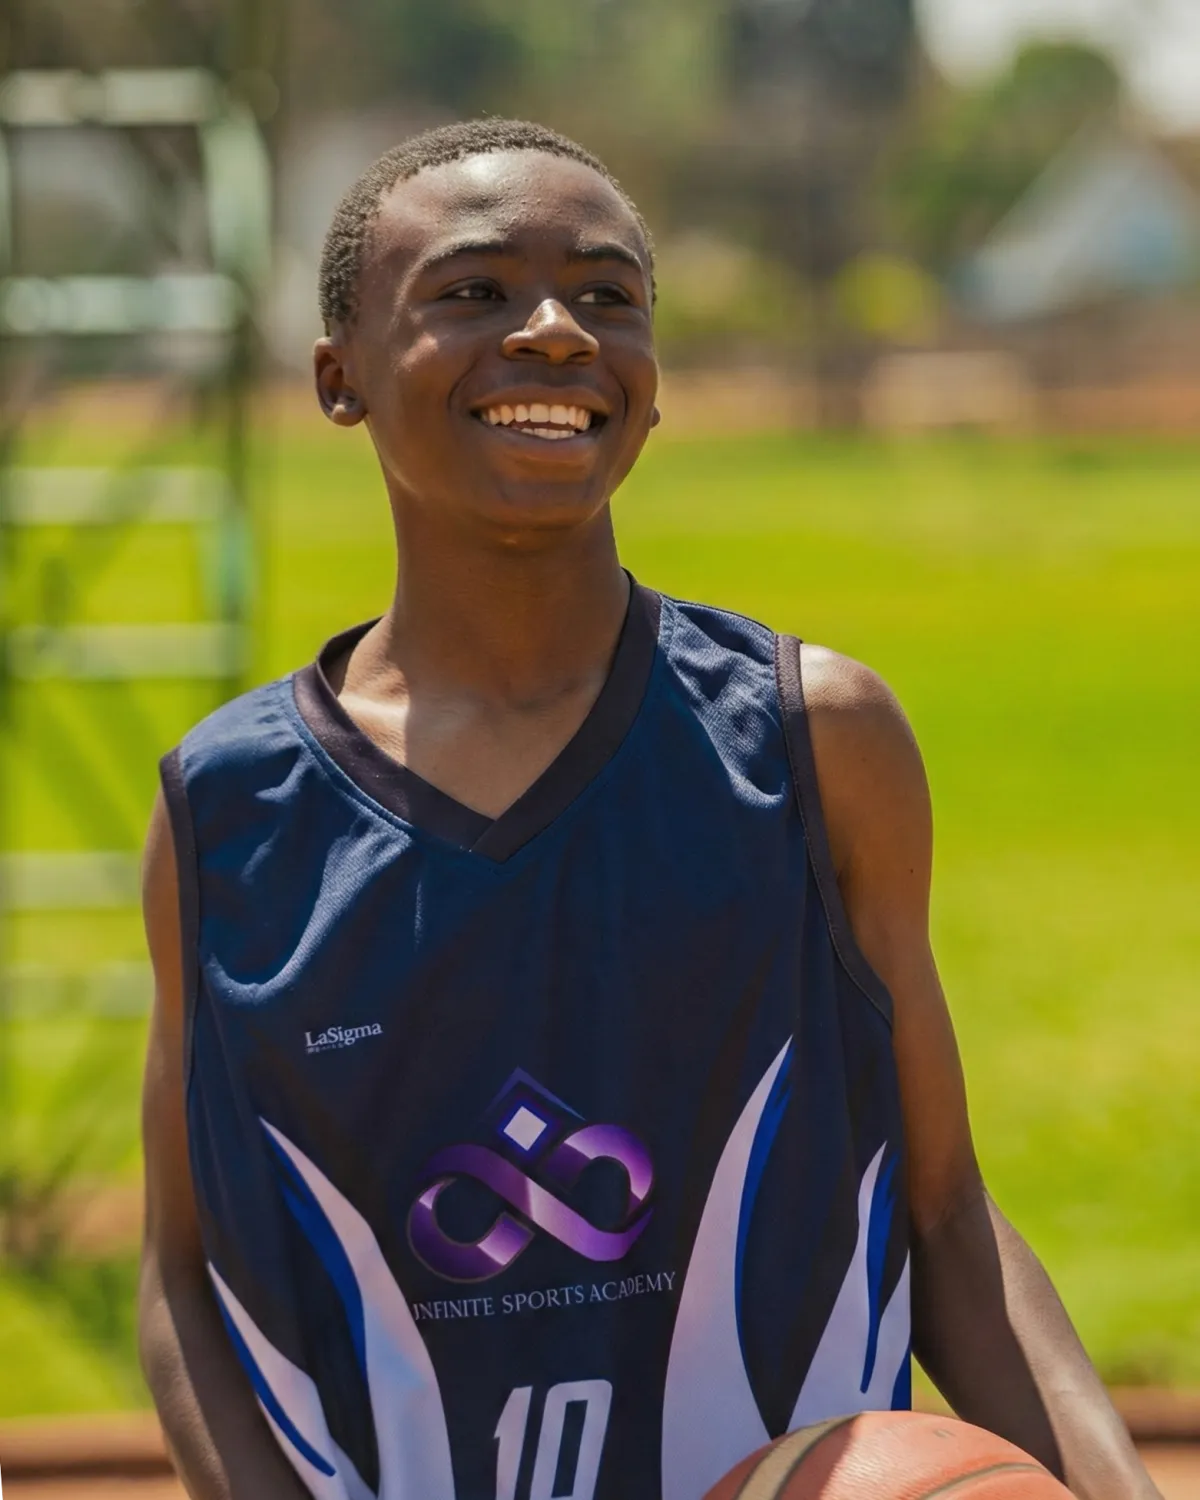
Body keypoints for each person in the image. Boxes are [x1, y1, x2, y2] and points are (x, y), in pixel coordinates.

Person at [138, 119, 1158, 1500]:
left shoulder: (814, 742)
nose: (557, 330)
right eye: (474, 290)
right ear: (340, 379)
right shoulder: (230, 813)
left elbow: (945, 1214)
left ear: (652, 385)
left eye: (606, 297)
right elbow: (185, 1276)